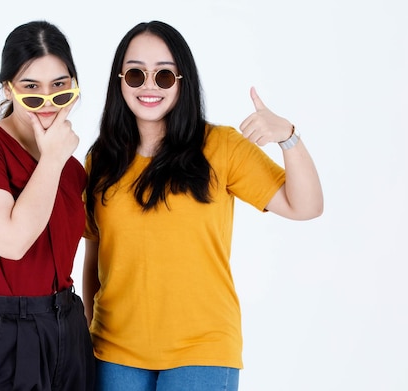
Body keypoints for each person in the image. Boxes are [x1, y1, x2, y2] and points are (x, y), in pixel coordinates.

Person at [82, 20, 323, 391]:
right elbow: (95, 254)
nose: (149, 85)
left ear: (182, 81)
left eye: (164, 75)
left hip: (202, 352)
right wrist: (86, 331)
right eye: (135, 74)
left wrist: (288, 137)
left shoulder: (220, 146)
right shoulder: (101, 160)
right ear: (120, 81)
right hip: (114, 354)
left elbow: (306, 206)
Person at [0, 21, 95, 391]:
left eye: (60, 87)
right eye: (31, 88)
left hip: (68, 328)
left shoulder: (73, 170)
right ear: (8, 88)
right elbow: (11, 242)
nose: (47, 102)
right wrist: (52, 158)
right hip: (0, 332)